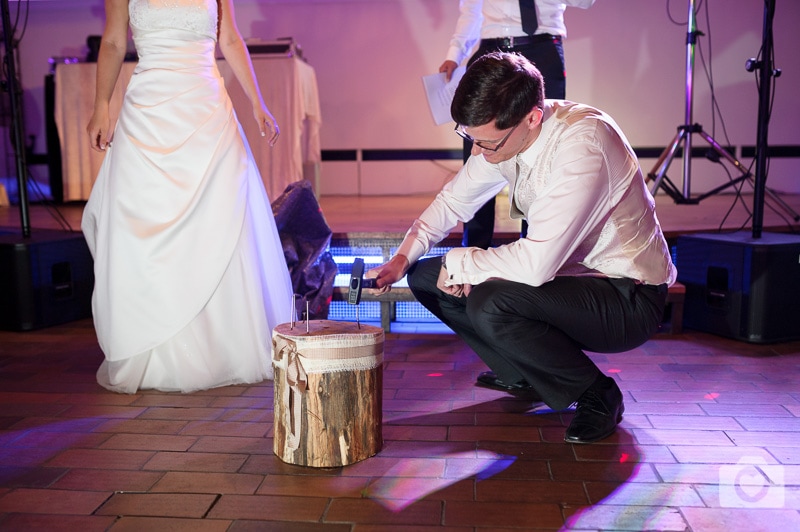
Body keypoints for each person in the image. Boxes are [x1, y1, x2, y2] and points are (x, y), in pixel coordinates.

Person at [370, 52, 676, 444]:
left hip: (627, 295)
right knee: (427, 276)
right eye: (470, 138)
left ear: (532, 117)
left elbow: (535, 266)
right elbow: (452, 202)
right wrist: (401, 257)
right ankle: (526, 374)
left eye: (487, 142)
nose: (478, 152)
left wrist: (463, 262)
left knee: (491, 300)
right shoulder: (505, 138)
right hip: (567, 282)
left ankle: (597, 395)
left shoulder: (583, 144)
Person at [81, 0, 294, 393]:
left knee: (221, 219)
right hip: (148, 114)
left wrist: (257, 103)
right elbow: (112, 41)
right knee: (144, 220)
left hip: (207, 111)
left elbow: (229, 39)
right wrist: (101, 106)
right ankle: (157, 347)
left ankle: (224, 346)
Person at [440, 0, 596, 249]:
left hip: (541, 47)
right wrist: (454, 53)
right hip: (491, 48)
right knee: (479, 148)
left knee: (540, 148)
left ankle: (535, 243)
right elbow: (471, 9)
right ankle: (474, 248)